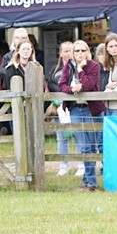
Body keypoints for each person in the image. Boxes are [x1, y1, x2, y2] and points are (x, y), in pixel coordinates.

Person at [60, 39, 105, 191]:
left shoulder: (94, 66)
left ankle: (89, 181)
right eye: (77, 51)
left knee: (93, 146)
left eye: (83, 50)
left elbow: (88, 85)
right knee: (85, 147)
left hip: (92, 110)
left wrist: (80, 69)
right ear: (73, 53)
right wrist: (71, 90)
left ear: (87, 52)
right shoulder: (68, 66)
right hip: (75, 109)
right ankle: (90, 182)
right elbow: (62, 85)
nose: (80, 53)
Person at [47, 41, 76, 176]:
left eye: (71, 50)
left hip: (73, 106)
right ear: (60, 53)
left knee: (77, 136)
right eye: (66, 51)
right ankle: (63, 165)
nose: (68, 53)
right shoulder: (55, 69)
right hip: (59, 107)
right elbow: (50, 83)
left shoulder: (77, 68)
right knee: (61, 138)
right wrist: (61, 90)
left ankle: (81, 165)